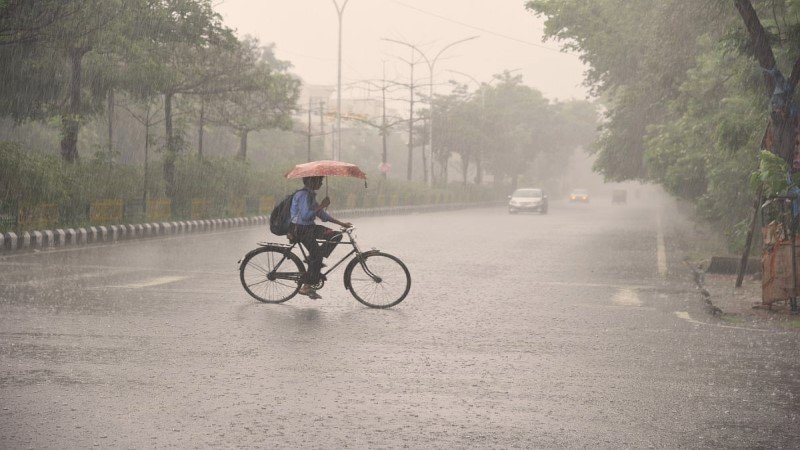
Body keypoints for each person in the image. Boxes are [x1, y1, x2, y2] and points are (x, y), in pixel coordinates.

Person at [288, 176, 352, 299]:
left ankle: (313, 259)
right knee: (317, 256)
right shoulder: (303, 195)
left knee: (336, 235)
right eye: (319, 181)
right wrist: (322, 205)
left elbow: (322, 215)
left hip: (309, 228)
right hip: (300, 229)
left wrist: (341, 224)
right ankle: (306, 286)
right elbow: (306, 215)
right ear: (312, 181)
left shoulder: (310, 195)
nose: (321, 183)